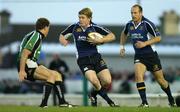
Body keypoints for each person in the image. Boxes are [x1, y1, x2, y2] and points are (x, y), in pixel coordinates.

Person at [119, 4, 176, 107]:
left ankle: (171, 99)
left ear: (141, 13)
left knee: (161, 81)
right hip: (139, 56)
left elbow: (158, 38)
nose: (133, 15)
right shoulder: (129, 24)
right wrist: (122, 47)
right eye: (132, 12)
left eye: (135, 12)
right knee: (138, 76)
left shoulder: (147, 24)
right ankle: (144, 103)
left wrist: (144, 43)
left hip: (151, 56)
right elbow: (124, 33)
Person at [59, 8, 118, 107]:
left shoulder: (95, 27)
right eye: (79, 17)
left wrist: (101, 40)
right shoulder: (74, 27)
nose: (80, 19)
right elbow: (62, 35)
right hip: (83, 59)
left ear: (89, 18)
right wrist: (62, 41)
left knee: (107, 81)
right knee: (94, 81)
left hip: (96, 57)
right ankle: (110, 102)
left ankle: (93, 94)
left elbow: (112, 36)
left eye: (83, 17)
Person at [17, 18, 72, 108]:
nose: (48, 30)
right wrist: (22, 71)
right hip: (27, 63)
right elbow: (24, 53)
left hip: (31, 63)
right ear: (45, 27)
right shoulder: (36, 35)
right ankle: (43, 105)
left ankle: (62, 102)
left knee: (57, 75)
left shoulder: (35, 35)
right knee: (51, 76)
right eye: (48, 28)